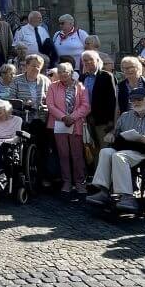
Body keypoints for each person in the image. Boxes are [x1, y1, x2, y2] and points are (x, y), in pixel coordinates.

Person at [86, 87, 145, 211]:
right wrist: (111, 134)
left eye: (139, 99)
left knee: (119, 156)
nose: (136, 102)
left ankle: (127, 196)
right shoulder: (125, 116)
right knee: (105, 151)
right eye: (132, 100)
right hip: (127, 148)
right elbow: (116, 132)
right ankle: (103, 191)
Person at [47, 61, 90, 195]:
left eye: (64, 72)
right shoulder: (53, 87)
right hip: (59, 125)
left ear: (71, 73)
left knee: (77, 154)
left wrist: (72, 117)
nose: (61, 74)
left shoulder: (80, 87)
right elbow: (50, 105)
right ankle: (66, 181)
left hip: (75, 124)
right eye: (59, 72)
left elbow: (86, 106)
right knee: (63, 154)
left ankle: (80, 182)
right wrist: (63, 117)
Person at [79, 50, 118, 162]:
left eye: (90, 59)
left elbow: (112, 100)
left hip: (103, 119)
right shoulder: (82, 78)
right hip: (86, 119)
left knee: (104, 148)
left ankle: (106, 177)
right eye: (85, 60)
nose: (88, 62)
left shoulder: (107, 76)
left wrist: (111, 120)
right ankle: (95, 175)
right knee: (91, 148)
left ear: (97, 60)